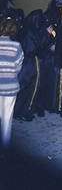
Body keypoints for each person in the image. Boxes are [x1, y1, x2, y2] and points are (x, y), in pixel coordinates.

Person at [0, 11, 24, 148]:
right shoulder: (16, 47)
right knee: (7, 118)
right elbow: (17, 67)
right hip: (10, 86)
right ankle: (5, 147)